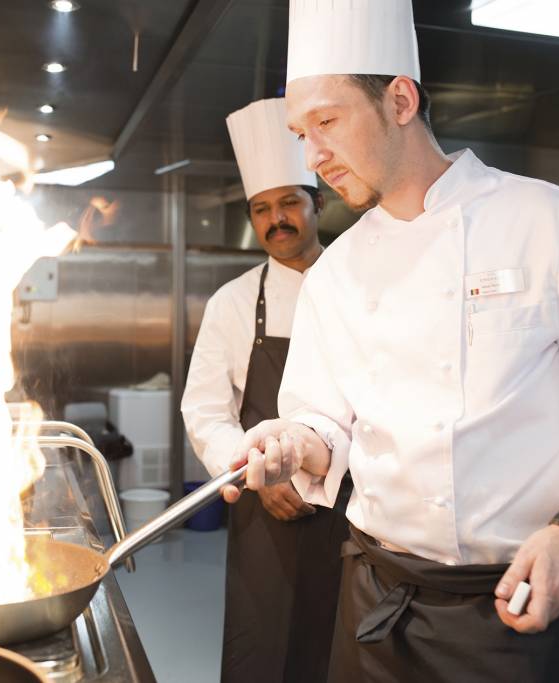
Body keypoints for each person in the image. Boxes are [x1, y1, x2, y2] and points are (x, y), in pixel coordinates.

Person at [222, 1, 559, 681]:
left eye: (326, 122)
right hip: (373, 605)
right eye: (300, 133)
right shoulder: (336, 271)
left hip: (517, 607)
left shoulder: (557, 227)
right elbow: (323, 419)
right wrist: (293, 441)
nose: (311, 156)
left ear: (400, 100)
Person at [181, 97, 353, 682]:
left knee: (340, 651)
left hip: (353, 508)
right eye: (262, 209)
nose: (276, 219)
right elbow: (205, 410)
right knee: (263, 650)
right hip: (264, 507)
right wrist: (257, 472)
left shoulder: (359, 287)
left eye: (289, 203)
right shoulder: (232, 302)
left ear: (317, 204)